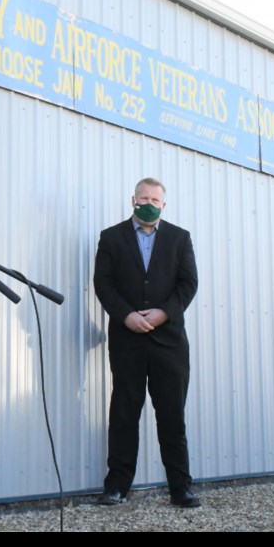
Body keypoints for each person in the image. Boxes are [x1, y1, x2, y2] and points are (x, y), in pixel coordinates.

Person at [92, 177, 200, 508]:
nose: (149, 202)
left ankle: (180, 487)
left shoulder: (180, 238)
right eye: (143, 198)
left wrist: (163, 313)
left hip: (169, 342)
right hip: (128, 341)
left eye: (155, 198)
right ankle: (117, 486)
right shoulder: (111, 238)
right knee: (124, 412)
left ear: (164, 204)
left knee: (171, 415)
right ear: (133, 200)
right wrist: (126, 316)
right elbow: (103, 283)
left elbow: (188, 283)